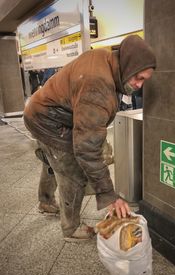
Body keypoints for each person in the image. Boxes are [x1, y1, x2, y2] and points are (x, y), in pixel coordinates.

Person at [23, 35, 156, 241]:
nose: (139, 85)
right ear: (128, 65)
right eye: (138, 78)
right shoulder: (98, 85)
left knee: (52, 159)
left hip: (41, 112)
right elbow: (86, 148)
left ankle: (46, 201)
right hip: (49, 121)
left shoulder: (107, 58)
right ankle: (71, 228)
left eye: (144, 80)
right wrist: (109, 195)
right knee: (71, 171)